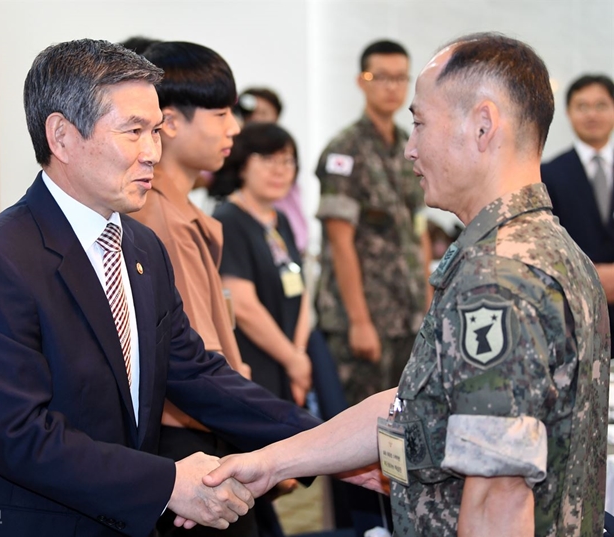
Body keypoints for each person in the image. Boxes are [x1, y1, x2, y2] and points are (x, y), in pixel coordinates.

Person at [204, 32, 610, 537]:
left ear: (482, 126)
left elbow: (497, 499)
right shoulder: (545, 244)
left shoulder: (499, 276)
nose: (410, 149)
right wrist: (273, 462)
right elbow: (413, 402)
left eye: (420, 124)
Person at [0, 38, 321, 537]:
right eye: (133, 131)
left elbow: (195, 372)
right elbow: (20, 437)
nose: (152, 153)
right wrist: (169, 483)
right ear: (62, 136)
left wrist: (324, 444)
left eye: (156, 131)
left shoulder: (139, 247)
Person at [131, 40, 259, 537]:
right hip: (189, 434)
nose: (234, 128)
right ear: (172, 122)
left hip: (206, 421)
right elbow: (195, 355)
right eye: (222, 112)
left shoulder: (180, 211)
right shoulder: (158, 218)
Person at [315, 39, 430, 408]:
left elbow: (419, 228)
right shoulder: (344, 150)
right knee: (359, 434)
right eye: (380, 76)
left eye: (400, 78)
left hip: (407, 315)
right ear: (361, 81)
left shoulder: (410, 144)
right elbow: (339, 241)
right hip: (363, 321)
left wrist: (427, 301)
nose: (391, 86)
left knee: (405, 423)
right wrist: (359, 321)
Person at [213, 122, 311, 406]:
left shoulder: (282, 221)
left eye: (287, 161)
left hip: (291, 357)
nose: (280, 170)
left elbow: (300, 290)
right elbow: (243, 307)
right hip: (254, 361)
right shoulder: (228, 220)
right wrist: (293, 359)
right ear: (242, 165)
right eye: (268, 160)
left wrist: (300, 352)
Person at [541, 74, 614, 356]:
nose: (591, 114)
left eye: (601, 105)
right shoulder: (548, 173)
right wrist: (591, 277)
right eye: (582, 106)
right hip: (573, 316)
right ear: (569, 112)